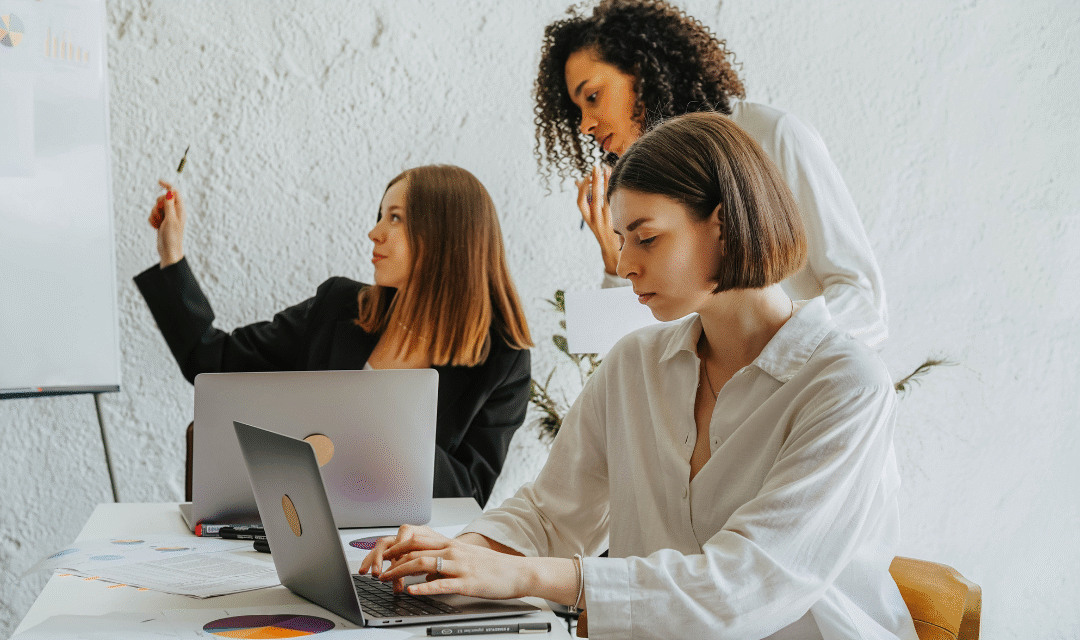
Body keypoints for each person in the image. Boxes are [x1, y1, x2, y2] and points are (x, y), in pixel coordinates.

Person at [358, 113, 916, 640]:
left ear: (723, 223)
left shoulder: (845, 385)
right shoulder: (634, 364)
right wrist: (455, 554)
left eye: (645, 238)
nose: (624, 264)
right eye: (621, 239)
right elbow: (552, 512)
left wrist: (529, 577)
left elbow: (745, 587)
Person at [134, 165, 533, 507]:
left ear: (446, 237)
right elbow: (209, 360)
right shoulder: (339, 307)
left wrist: (380, 420)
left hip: (398, 553)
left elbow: (468, 497)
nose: (374, 232)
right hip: (299, 527)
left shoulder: (502, 360)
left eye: (395, 218)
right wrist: (172, 254)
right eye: (381, 214)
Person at [534, 0, 889, 347]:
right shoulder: (637, 189)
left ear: (643, 71)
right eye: (576, 109)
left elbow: (862, 301)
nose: (584, 125)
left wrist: (768, 356)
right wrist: (616, 259)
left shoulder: (770, 135)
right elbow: (632, 349)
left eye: (593, 96)